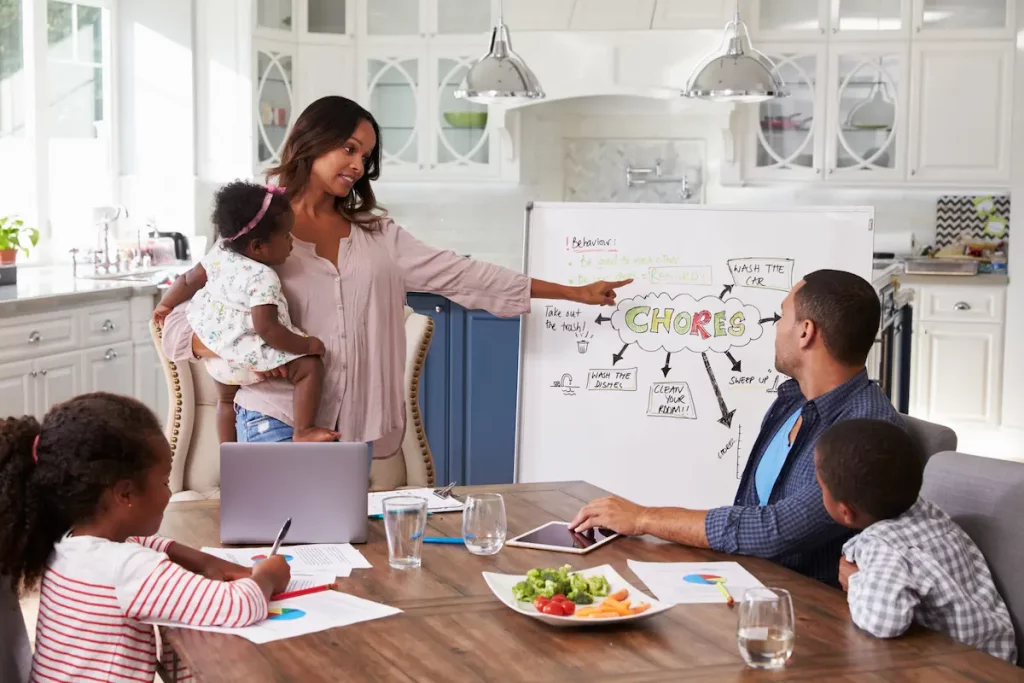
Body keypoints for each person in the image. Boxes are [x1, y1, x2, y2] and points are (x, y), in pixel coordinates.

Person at [159, 96, 630, 449]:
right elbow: (178, 322)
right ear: (311, 141)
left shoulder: (378, 237)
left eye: (365, 157)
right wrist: (224, 343)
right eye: (348, 148)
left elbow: (466, 276)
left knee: (342, 565)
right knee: (282, 560)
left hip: (353, 430)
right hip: (274, 419)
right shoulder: (257, 230)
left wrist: (573, 291)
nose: (358, 165)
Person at [570, 270, 904, 585]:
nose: (775, 326)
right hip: (750, 582)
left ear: (806, 331)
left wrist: (643, 518)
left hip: (807, 614)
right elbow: (751, 513)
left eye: (782, 315)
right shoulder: (792, 399)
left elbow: (774, 530)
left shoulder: (867, 430)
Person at [0, 393, 291, 682]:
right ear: (125, 494)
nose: (169, 493)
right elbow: (237, 605)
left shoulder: (66, 540)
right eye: (165, 481)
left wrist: (205, 561)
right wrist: (267, 576)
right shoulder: (128, 568)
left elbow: (143, 545)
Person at [816, 419, 1016, 662]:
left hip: (956, 668)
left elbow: (885, 622)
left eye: (820, 488)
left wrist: (855, 580)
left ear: (846, 511)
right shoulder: (928, 512)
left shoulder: (884, 547)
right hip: (996, 655)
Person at [154, 181, 336, 444]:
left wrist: (165, 305)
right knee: (309, 368)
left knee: (226, 401)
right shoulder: (262, 276)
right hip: (249, 351)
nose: (291, 243)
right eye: (286, 236)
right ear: (258, 247)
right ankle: (304, 430)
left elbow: (188, 280)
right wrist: (307, 345)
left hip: (218, 359)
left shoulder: (220, 252)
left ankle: (228, 451)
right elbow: (268, 329)